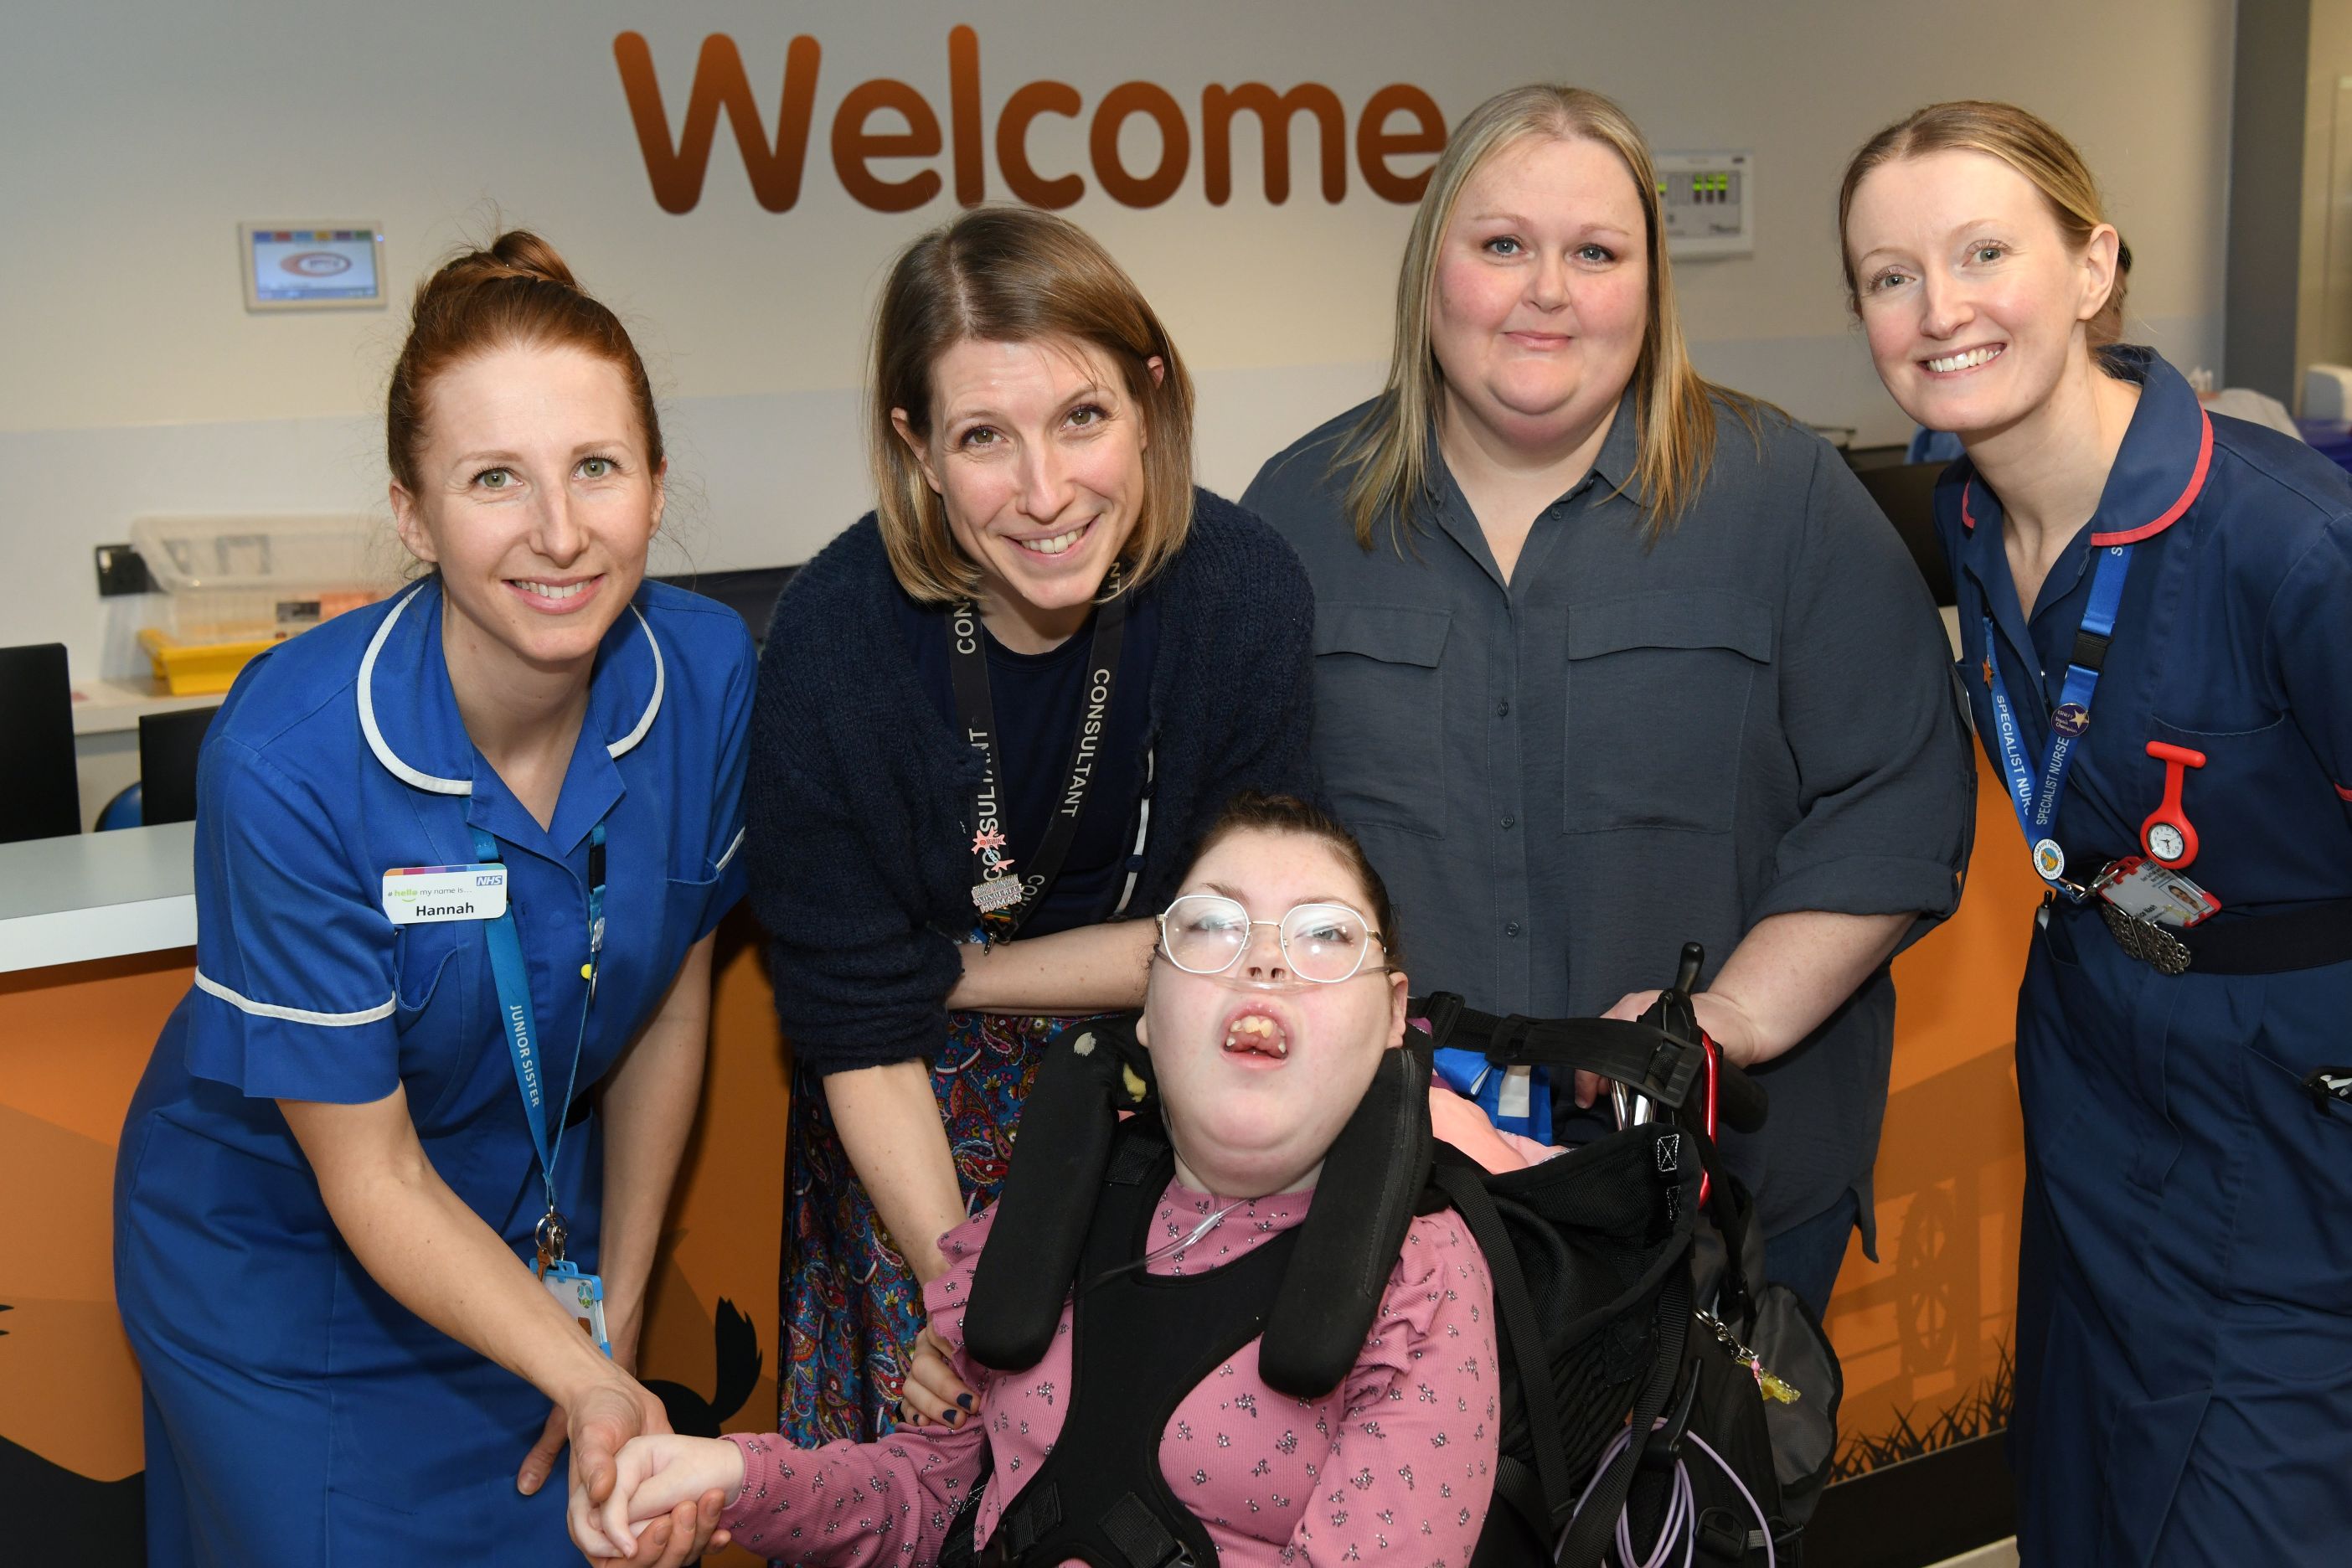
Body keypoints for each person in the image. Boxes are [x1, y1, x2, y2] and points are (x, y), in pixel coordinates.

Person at [1240, 85, 1973, 1317]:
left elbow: (1897, 806)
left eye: (1595, 252)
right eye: (1503, 246)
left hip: (1717, 1208)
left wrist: (1724, 1016)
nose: (1550, 292)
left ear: (1649, 286)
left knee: (1706, 1516)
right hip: (1391, 1195)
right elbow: (1241, 840)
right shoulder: (1299, 513)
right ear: (1432, 275)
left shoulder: (1783, 498)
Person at [111, 233, 750, 1565]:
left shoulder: (703, 672)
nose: (560, 532)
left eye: (596, 468)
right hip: (287, 1266)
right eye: (494, 480)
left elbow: (669, 990)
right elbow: (377, 1172)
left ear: (655, 483)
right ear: (411, 512)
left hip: (535, 1226)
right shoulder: (292, 755)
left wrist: (614, 1321)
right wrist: (579, 1377)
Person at [1840, 101, 2352, 1563]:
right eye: (1888, 275)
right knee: (2085, 1513)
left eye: (1981, 251)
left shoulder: (2287, 543)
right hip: (2091, 1090)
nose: (1937, 310)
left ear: (2090, 265)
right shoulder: (1961, 516)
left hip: (2290, 1136)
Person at [575, 794, 1498, 1568]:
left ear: (1391, 1014)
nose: (1263, 960)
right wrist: (737, 1477)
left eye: (1324, 936)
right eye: (1210, 925)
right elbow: (924, 1501)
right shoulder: (1062, 1206)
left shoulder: (1422, 1275)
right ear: (1149, 994)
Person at [746, 207, 1314, 1447]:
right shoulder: (832, 650)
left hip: (1181, 1115)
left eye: (1084, 418)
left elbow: (1244, 940)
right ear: (917, 448)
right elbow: (858, 1034)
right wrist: (962, 1288)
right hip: (910, 1160)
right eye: (984, 438)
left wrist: (955, 976)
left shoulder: (1242, 593)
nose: (1046, 493)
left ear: (1151, 397)